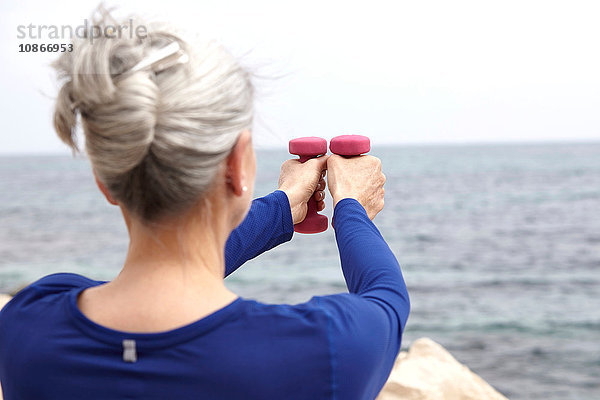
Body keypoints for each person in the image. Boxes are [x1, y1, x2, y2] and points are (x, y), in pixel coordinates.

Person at [0, 8, 409, 400]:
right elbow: (386, 297)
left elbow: (169, 274)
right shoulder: (322, 350)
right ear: (239, 163)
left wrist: (285, 207)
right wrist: (351, 206)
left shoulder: (28, 324)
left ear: (105, 182)